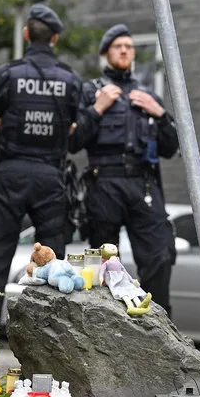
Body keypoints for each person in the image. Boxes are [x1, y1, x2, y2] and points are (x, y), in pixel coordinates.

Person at [0, 4, 82, 366]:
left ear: (25, 34)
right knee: (54, 268)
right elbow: (75, 126)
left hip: (11, 174)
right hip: (51, 176)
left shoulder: (7, 74)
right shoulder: (71, 79)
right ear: (55, 38)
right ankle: (51, 368)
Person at [70, 23, 179, 317]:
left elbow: (171, 149)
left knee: (161, 253)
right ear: (106, 53)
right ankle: (101, 320)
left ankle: (158, 320)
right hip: (103, 182)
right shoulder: (90, 91)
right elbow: (74, 141)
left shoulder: (147, 96)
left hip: (142, 183)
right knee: (103, 258)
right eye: (118, 46)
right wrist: (98, 108)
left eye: (129, 47)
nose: (124, 50)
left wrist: (161, 114)